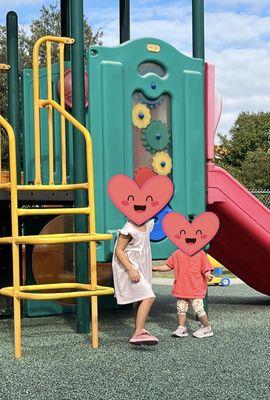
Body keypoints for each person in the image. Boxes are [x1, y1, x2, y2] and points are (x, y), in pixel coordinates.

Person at [112, 218, 158, 346]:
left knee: (142, 297)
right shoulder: (129, 229)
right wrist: (131, 269)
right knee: (149, 297)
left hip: (141, 266)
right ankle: (138, 332)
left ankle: (139, 330)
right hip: (130, 267)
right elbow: (119, 251)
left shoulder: (148, 224)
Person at [152, 248, 214, 338]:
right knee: (181, 308)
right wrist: (156, 268)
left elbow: (206, 267)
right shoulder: (178, 253)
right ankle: (182, 328)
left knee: (198, 309)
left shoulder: (200, 253)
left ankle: (207, 328)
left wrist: (207, 274)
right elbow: (169, 265)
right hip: (182, 288)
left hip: (195, 287)